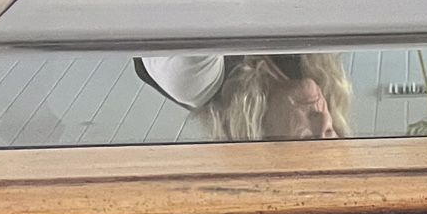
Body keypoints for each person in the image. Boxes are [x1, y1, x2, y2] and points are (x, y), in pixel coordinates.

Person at [135, 52, 351, 141]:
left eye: (306, 137)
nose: (323, 119)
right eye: (330, 132)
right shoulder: (300, 69)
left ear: (262, 135)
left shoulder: (194, 79)